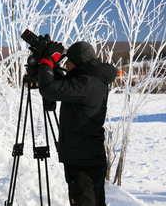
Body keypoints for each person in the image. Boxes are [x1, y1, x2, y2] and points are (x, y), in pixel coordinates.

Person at [37, 41, 117, 206]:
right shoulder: (91, 78)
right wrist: (51, 63)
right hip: (87, 156)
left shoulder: (86, 83)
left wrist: (46, 61)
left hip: (83, 162)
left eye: (69, 60)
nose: (66, 63)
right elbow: (64, 85)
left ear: (79, 61)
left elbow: (49, 89)